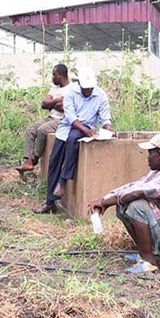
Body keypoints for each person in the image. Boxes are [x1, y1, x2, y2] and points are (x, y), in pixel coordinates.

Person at [86, 133, 160, 274]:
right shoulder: (159, 171)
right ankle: (144, 254)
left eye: (150, 153)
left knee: (136, 205)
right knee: (123, 204)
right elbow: (134, 186)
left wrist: (105, 203)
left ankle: (149, 261)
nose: (147, 157)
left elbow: (137, 193)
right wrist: (104, 200)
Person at [35, 69, 115, 214]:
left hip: (84, 129)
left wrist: (109, 129)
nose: (88, 92)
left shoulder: (100, 95)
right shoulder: (71, 92)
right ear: (79, 85)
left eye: (90, 89)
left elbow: (105, 118)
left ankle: (64, 180)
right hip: (67, 127)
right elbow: (70, 117)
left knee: (73, 138)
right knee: (54, 162)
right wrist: (85, 130)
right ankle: (50, 202)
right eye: (85, 89)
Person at [17, 64, 72, 174]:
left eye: (54, 75)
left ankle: (34, 159)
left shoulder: (72, 89)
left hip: (62, 120)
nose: (52, 77)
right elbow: (44, 104)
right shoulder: (55, 88)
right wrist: (58, 100)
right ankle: (28, 160)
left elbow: (63, 108)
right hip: (50, 117)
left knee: (42, 130)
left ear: (61, 75)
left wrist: (52, 102)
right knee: (30, 129)